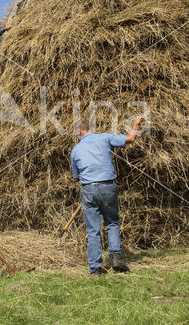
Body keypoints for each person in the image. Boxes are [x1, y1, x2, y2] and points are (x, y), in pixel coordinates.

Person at [70, 116, 142, 275]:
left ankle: (95, 268)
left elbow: (75, 178)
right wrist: (135, 124)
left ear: (79, 131)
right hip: (107, 187)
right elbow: (130, 138)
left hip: (88, 190)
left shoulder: (75, 150)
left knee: (93, 230)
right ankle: (115, 257)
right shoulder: (104, 138)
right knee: (112, 223)